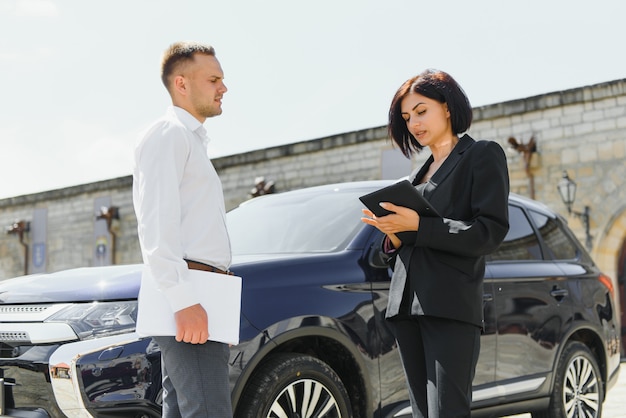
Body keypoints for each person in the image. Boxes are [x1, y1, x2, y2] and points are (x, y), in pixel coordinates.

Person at [361, 69, 509, 417]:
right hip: (405, 309)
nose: (414, 123)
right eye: (407, 117)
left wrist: (420, 225)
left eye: (421, 110)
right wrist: (394, 237)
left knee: (447, 411)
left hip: (450, 306)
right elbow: (404, 249)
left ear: (447, 106)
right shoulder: (416, 176)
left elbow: (489, 232)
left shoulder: (482, 155)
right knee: (422, 413)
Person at [132, 41, 232, 418]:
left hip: (205, 290)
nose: (224, 88)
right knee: (207, 410)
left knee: (187, 409)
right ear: (182, 84)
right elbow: (155, 224)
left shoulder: (190, 140)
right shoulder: (168, 134)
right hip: (191, 292)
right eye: (214, 79)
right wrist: (183, 299)